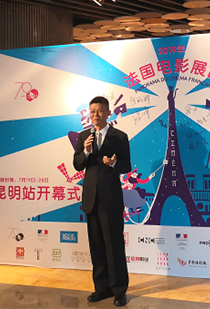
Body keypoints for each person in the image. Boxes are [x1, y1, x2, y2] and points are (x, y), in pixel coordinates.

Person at [73, 96, 131, 307]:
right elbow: (78, 165)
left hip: (110, 198)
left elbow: (126, 166)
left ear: (108, 113)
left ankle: (119, 290)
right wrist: (86, 151)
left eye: (99, 111)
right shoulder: (83, 137)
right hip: (91, 198)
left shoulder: (119, 136)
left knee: (114, 245)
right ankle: (101, 288)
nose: (95, 115)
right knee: (96, 245)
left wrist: (114, 164)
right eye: (92, 111)